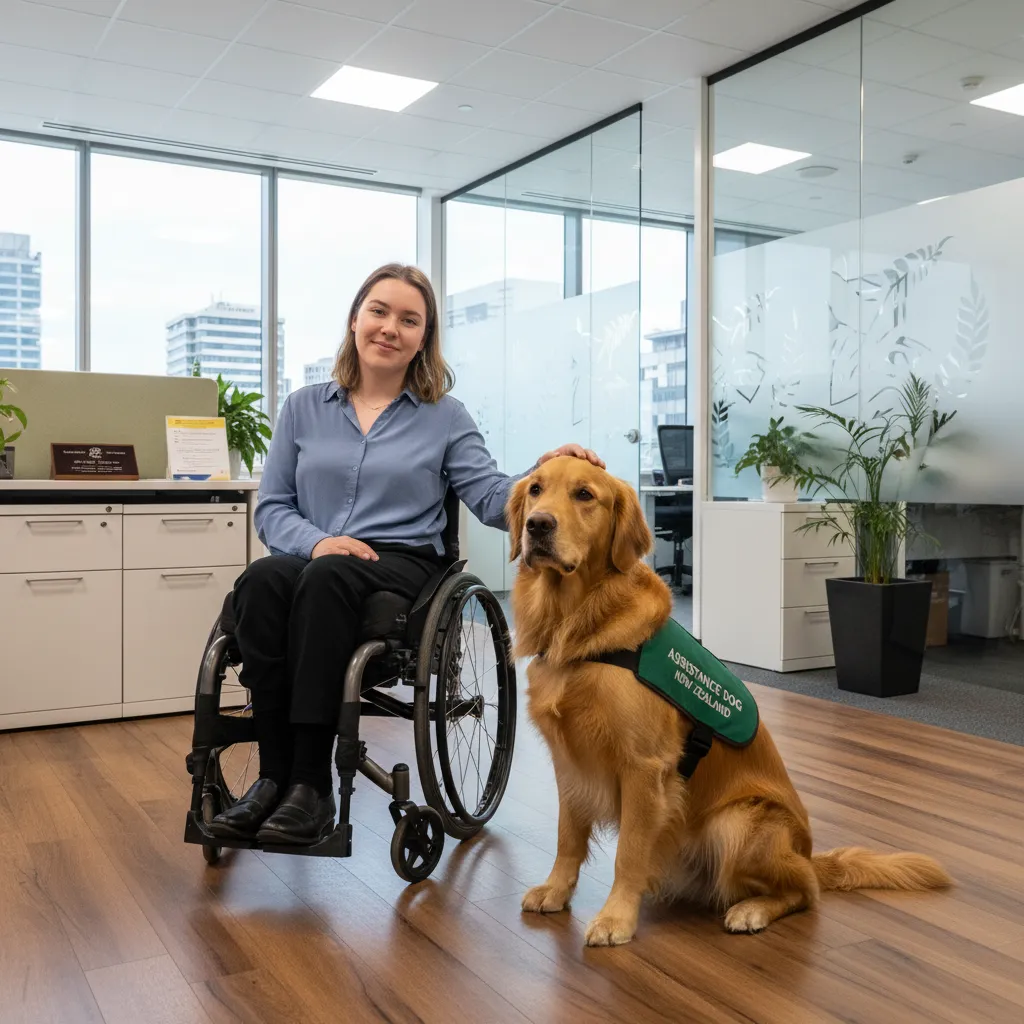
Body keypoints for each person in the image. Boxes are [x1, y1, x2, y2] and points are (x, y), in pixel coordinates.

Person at [208, 262, 604, 846]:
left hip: (403, 567)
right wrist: (317, 541)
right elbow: (272, 509)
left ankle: (310, 786)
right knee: (265, 579)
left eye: (409, 319)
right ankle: (272, 778)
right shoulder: (302, 407)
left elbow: (495, 501)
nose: (391, 327)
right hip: (315, 552)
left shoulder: (445, 417)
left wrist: (544, 475)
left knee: (327, 579)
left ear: (424, 337)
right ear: (355, 319)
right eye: (379, 311)